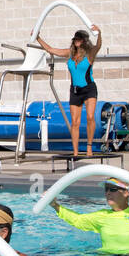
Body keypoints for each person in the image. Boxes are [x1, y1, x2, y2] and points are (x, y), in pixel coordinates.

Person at [49, 178, 129, 254]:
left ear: (127, 193)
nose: (108, 193)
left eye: (113, 189)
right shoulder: (102, 216)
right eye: (106, 190)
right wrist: (55, 205)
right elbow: (77, 220)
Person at [36, 24, 102, 157]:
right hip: (75, 91)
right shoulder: (70, 53)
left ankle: (89, 147)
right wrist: (37, 37)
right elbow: (51, 49)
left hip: (89, 89)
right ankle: (76, 151)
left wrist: (99, 33)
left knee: (90, 117)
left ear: (84, 40)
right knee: (75, 122)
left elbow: (98, 46)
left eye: (79, 39)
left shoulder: (90, 54)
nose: (77, 41)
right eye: (75, 39)